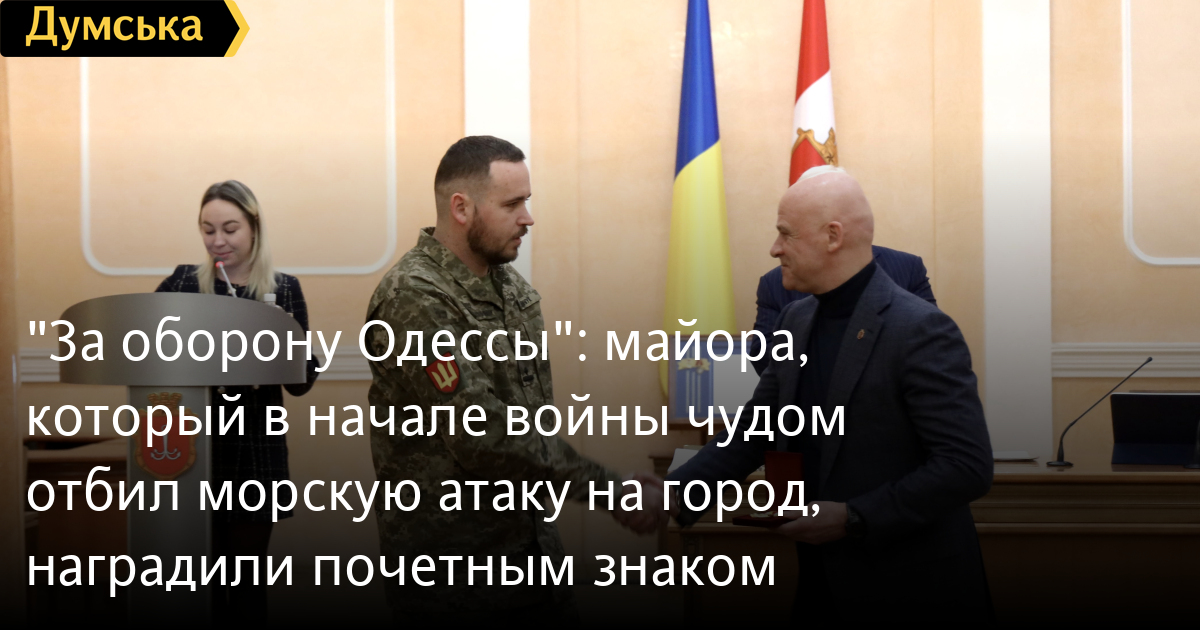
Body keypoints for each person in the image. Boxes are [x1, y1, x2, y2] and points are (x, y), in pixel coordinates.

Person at [665, 166, 993, 621]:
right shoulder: (795, 320)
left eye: (786, 234)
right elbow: (754, 431)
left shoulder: (920, 329)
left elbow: (966, 467)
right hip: (822, 582)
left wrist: (853, 516)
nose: (775, 248)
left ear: (833, 236)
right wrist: (672, 493)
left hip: (912, 588)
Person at [364, 136, 659, 622]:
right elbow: (483, 433)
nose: (528, 218)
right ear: (461, 208)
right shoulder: (413, 296)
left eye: (527, 201)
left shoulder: (512, 289)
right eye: (512, 204)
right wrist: (609, 489)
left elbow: (534, 425)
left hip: (532, 556)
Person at [155, 180, 319, 624]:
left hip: (255, 454)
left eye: (230, 229)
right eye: (208, 230)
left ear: (254, 228)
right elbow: (145, 350)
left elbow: (303, 382)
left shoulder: (284, 289)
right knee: (197, 589)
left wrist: (284, 344)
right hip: (193, 452)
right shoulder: (183, 283)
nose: (218, 241)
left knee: (247, 588)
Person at [750, 247, 935, 375]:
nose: (775, 249)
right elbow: (763, 353)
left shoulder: (907, 267)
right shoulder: (774, 283)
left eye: (788, 234)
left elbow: (929, 342)